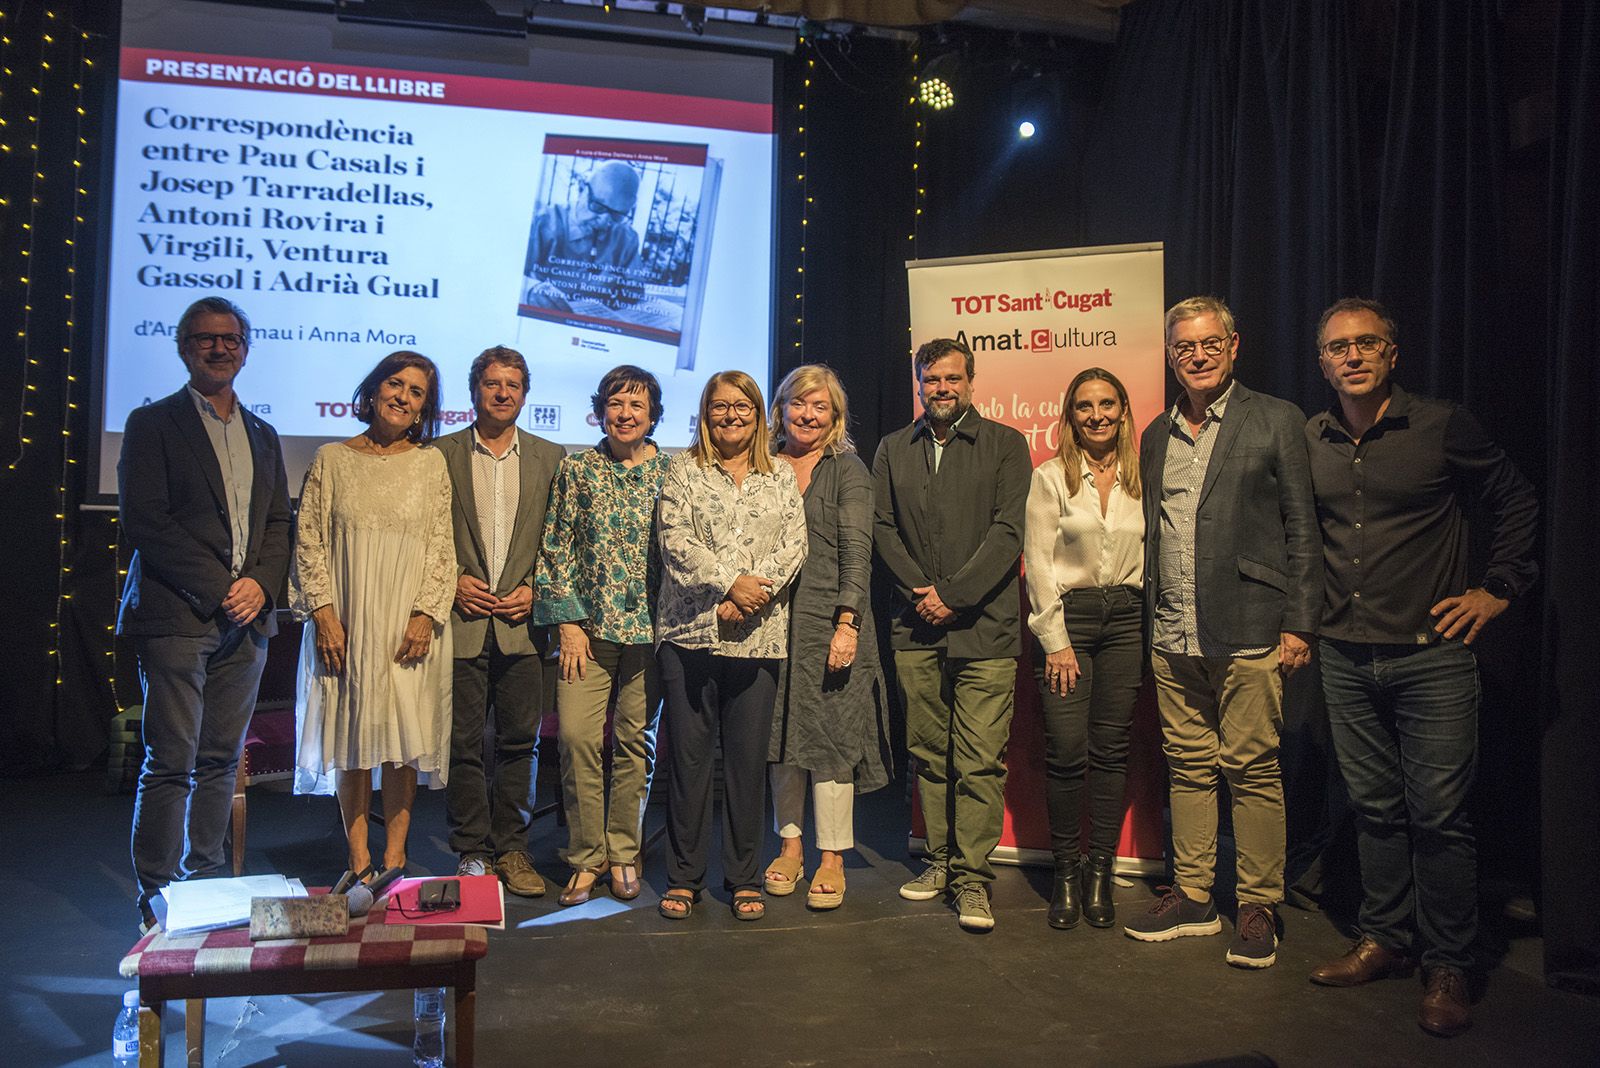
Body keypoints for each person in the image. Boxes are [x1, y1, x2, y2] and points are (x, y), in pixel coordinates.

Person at [1303, 298, 1537, 1036]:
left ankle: (1448, 964)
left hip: (1431, 658)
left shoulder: (1441, 424)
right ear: (1323, 362)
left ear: (1392, 354)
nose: (1352, 356)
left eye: (1366, 343)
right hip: (1344, 653)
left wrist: (1497, 589)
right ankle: (1386, 940)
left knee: (1438, 816)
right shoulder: (1311, 437)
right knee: (1372, 808)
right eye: (1338, 347)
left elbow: (1517, 499)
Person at [1125, 296, 1321, 969]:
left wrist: (1300, 620)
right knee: (1188, 765)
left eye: (1210, 344)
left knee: (1254, 768)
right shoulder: (1155, 433)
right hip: (1173, 630)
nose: (1198, 356)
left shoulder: (1275, 419)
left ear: (1233, 347)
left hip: (1251, 627)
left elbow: (1303, 526)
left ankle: (1258, 903)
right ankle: (1193, 893)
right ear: (1172, 355)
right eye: (1184, 347)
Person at [118, 296, 292, 932]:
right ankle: (159, 899)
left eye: (230, 339)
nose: (219, 348)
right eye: (205, 339)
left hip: (248, 623)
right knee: (171, 759)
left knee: (221, 759)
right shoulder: (152, 424)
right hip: (176, 618)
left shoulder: (263, 434)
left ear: (246, 348)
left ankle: (206, 881)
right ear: (183, 346)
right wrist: (225, 587)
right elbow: (147, 522)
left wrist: (260, 589)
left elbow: (278, 523)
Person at [874, 338, 1032, 932]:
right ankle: (938, 863)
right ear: (919, 384)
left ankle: (971, 880)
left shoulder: (1006, 445)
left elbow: (1008, 532)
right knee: (929, 757)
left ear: (972, 381)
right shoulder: (893, 449)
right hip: (915, 627)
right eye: (931, 380)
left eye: (952, 379)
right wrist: (924, 593)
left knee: (979, 761)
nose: (941, 389)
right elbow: (883, 530)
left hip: (985, 631)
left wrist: (956, 596)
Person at [290, 351, 455, 880]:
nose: (403, 397)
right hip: (346, 618)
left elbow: (441, 547)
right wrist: (323, 613)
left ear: (425, 407)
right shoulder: (330, 459)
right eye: (395, 384)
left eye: (417, 392)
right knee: (351, 733)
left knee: (402, 739)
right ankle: (359, 858)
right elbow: (309, 540)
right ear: (373, 389)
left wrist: (426, 614)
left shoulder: (431, 463)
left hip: (407, 623)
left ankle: (395, 857)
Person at [655, 371, 807, 922]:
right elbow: (676, 544)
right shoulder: (682, 470)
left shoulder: (781, 476)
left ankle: (744, 878)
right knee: (691, 766)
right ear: (705, 412)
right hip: (690, 636)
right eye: (721, 407)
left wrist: (749, 597)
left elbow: (794, 545)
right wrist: (728, 584)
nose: (732, 416)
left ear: (759, 413)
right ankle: (683, 878)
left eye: (743, 406)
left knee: (746, 767)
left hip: (759, 638)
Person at [533, 365, 671, 906]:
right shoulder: (576, 470)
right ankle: (585, 856)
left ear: (653, 414)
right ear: (600, 410)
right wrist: (566, 621)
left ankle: (623, 853)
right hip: (585, 634)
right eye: (616, 403)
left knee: (635, 744)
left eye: (637, 405)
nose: (625, 413)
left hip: (652, 634)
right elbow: (554, 548)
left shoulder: (675, 472)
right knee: (577, 740)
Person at [762, 365, 892, 911]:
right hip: (767, 624)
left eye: (820, 407)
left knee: (832, 741)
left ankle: (833, 856)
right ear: (781, 408)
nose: (808, 415)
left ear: (835, 417)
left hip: (831, 623)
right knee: (781, 738)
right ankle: (789, 848)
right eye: (799, 404)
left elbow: (857, 554)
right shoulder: (763, 466)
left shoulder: (849, 470)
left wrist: (847, 623)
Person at [436, 346, 564, 898]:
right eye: (492, 383)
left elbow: (563, 541)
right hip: (461, 622)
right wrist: (449, 582)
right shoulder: (437, 455)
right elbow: (422, 538)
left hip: (524, 626)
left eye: (513, 384)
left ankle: (513, 849)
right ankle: (472, 853)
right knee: (462, 744)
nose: (503, 393)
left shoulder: (552, 457)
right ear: (474, 391)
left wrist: (539, 591)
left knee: (520, 743)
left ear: (525, 393)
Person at [1023, 367, 1146, 930]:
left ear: (1122, 410)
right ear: (1070, 415)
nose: (1096, 415)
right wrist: (1055, 642)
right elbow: (1039, 564)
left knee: (1110, 751)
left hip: (1127, 620)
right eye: (1083, 406)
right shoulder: (1052, 477)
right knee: (1067, 750)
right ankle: (1066, 874)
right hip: (1068, 619)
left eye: (1106, 404)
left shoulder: (1143, 474)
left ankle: (1101, 872)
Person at [523, 160, 642, 313]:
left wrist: (619, 287)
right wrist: (531, 289)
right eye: (598, 207)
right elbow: (509, 273)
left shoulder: (627, 238)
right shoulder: (542, 223)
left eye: (617, 215)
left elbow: (636, 289)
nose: (605, 221)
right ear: (581, 190)